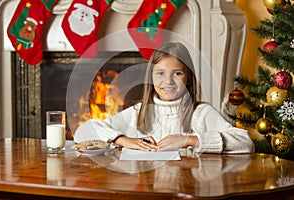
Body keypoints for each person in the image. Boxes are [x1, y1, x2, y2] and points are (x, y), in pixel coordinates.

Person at [74, 42, 255, 153]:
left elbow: (246, 143)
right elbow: (83, 132)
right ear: (151, 77)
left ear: (188, 78)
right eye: (160, 73)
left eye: (177, 73)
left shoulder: (201, 113)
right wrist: (124, 140)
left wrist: (189, 140)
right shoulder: (138, 112)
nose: (168, 81)